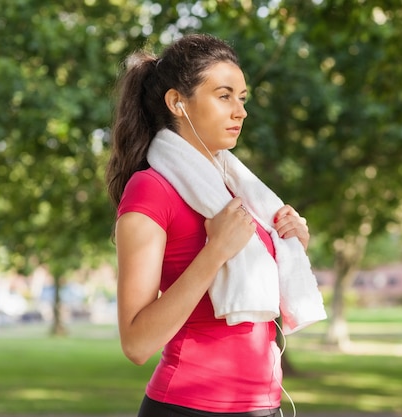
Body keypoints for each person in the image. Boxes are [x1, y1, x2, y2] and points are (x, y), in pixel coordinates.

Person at [106, 33, 325, 417]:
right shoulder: (150, 189)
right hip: (188, 406)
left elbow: (250, 279)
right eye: (224, 95)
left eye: (242, 99)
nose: (240, 111)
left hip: (263, 406)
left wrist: (289, 244)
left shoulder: (238, 190)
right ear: (177, 103)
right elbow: (136, 343)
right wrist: (216, 252)